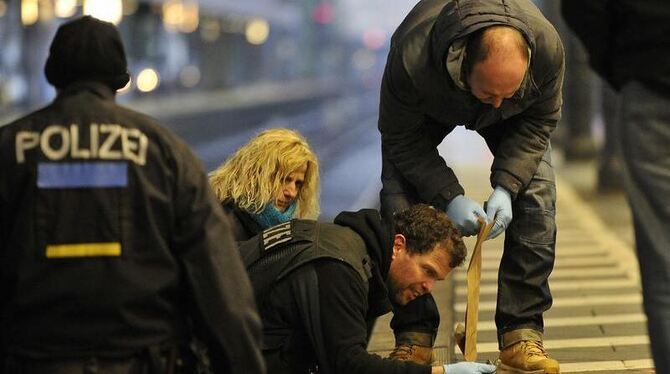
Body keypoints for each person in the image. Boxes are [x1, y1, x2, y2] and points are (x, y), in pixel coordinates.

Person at [0, 16, 264, 373]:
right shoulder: (164, 151)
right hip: (143, 360)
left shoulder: (10, 148)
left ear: (53, 74)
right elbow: (218, 281)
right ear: (120, 78)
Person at [377, 0, 564, 372]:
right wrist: (450, 196)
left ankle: (521, 334)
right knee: (399, 198)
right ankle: (414, 336)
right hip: (427, 110)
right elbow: (401, 140)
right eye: (489, 92)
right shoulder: (412, 60)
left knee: (537, 193)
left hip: (517, 116)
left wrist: (507, 187)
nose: (496, 103)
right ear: (461, 64)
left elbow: (540, 122)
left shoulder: (546, 50)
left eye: (506, 92)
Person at [239, 204, 496, 374]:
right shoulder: (338, 267)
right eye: (427, 270)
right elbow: (350, 364)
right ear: (398, 245)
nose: (427, 287)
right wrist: (441, 372)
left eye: (436, 280)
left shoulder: (346, 245)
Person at [561, 1, 670, 372]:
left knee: (662, 253)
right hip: (646, 75)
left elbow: (583, 10)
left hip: (651, 83)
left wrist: (623, 66)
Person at [209, 128, 320, 241]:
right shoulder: (217, 223)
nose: (291, 192)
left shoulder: (284, 234)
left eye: (298, 183)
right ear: (256, 174)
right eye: (283, 179)